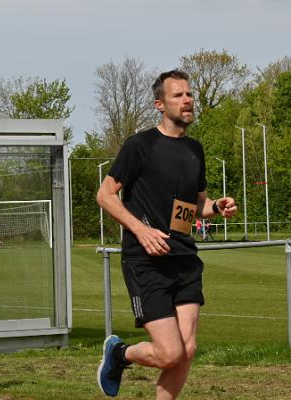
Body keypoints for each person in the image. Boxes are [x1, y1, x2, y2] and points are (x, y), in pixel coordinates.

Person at [95, 70, 237, 399]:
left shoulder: (194, 149)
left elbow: (195, 205)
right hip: (146, 262)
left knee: (187, 351)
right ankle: (119, 354)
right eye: (178, 95)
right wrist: (141, 229)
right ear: (160, 104)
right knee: (170, 353)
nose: (187, 100)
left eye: (189, 94)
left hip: (184, 259)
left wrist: (217, 207)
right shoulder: (140, 145)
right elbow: (105, 195)